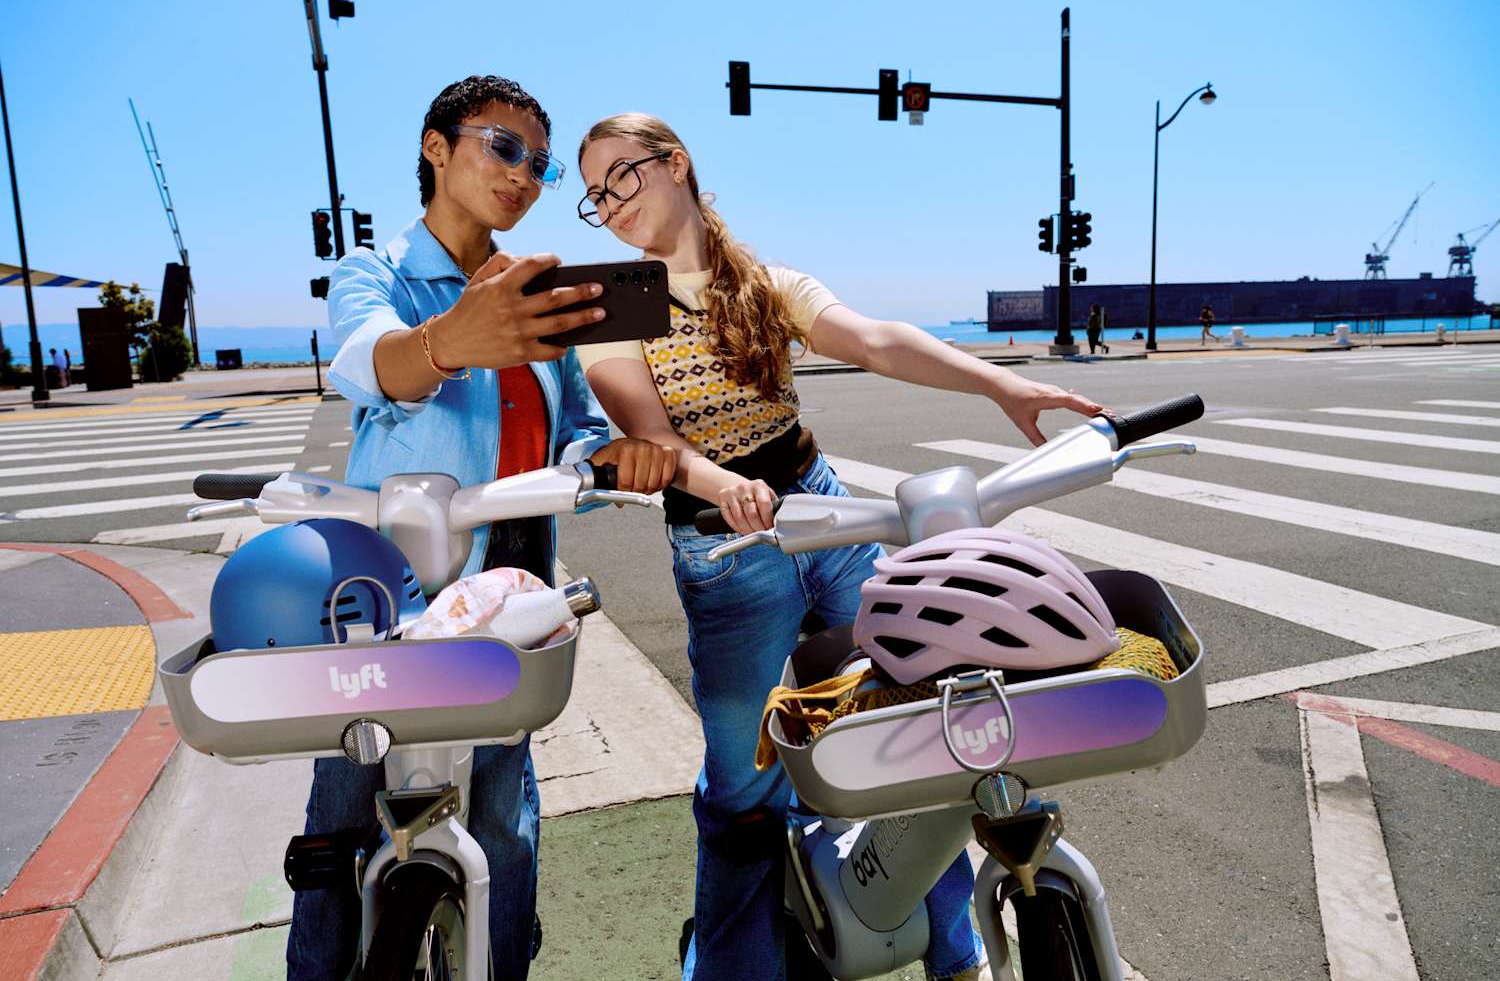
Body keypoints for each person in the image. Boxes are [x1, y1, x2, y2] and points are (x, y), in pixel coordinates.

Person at [573, 113, 1107, 981]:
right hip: (726, 546)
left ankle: (955, 951)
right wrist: (725, 488)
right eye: (595, 196)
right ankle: (737, 968)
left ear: (675, 164)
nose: (610, 203)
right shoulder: (614, 303)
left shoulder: (763, 282)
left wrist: (1002, 384)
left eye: (621, 177)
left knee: (925, 718)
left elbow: (876, 340)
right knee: (744, 790)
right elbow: (654, 438)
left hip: (827, 516)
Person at [296, 77, 675, 981]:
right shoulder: (377, 272)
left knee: (505, 816)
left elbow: (574, 425)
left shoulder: (539, 296)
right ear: (437, 148)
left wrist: (613, 456)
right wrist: (452, 339)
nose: (525, 176)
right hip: (388, 596)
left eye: (539, 164)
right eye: (503, 148)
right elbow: (367, 363)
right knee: (343, 805)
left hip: (512, 593)